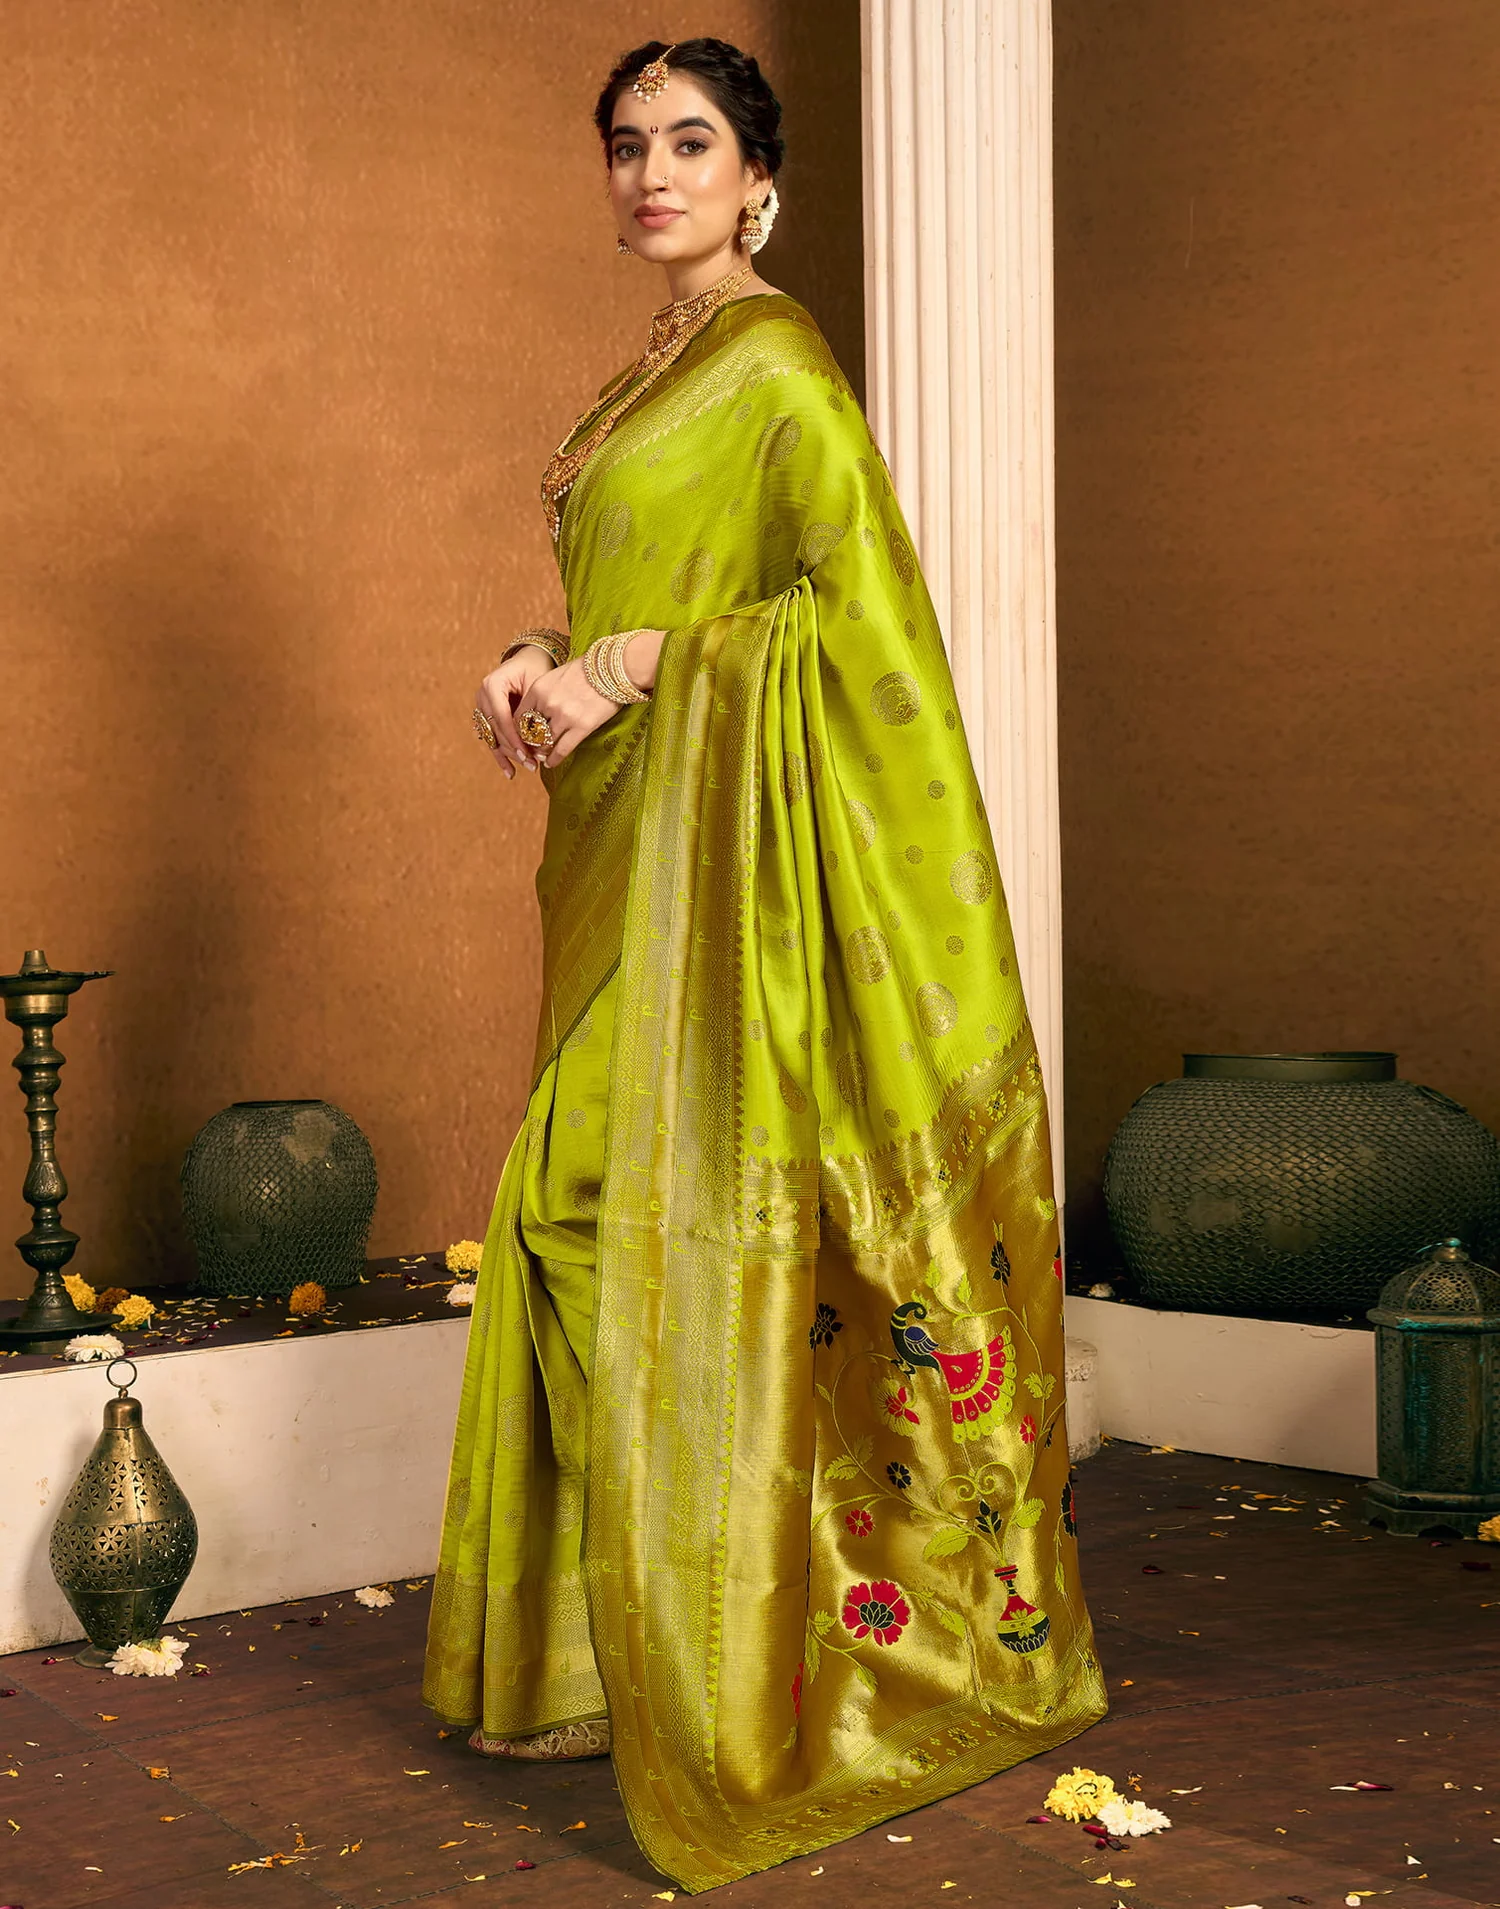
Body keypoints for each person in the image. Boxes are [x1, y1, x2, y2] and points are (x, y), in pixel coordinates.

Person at [424, 35, 1106, 1894]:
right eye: (626, 145)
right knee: (576, 1224)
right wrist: (539, 654)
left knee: (640, 1231)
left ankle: (773, 1643)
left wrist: (634, 668)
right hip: (630, 858)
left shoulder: (779, 367)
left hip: (735, 892)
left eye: (691, 142)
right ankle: (617, 1647)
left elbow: (853, 624)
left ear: (758, 179)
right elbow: (648, 596)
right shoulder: (652, 372)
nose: (652, 173)